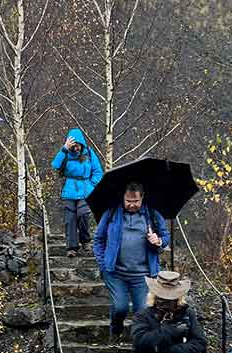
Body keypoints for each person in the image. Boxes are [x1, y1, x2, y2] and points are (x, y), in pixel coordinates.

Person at [92, 182, 169, 339]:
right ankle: (116, 330)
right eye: (128, 201)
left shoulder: (152, 214)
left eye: (135, 201)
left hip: (143, 274)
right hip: (115, 272)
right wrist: (103, 262)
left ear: (142, 198)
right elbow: (98, 239)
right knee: (120, 307)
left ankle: (139, 343)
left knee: (142, 311)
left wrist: (158, 240)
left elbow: (165, 236)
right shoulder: (112, 212)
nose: (132, 204)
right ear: (123, 198)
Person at [51, 127, 103, 257]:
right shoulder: (65, 154)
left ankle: (85, 240)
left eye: (78, 145)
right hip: (69, 190)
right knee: (70, 219)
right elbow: (55, 165)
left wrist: (92, 185)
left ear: (82, 144)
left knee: (82, 213)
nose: (76, 148)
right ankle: (71, 247)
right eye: (73, 146)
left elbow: (98, 172)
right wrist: (64, 149)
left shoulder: (89, 154)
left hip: (86, 190)